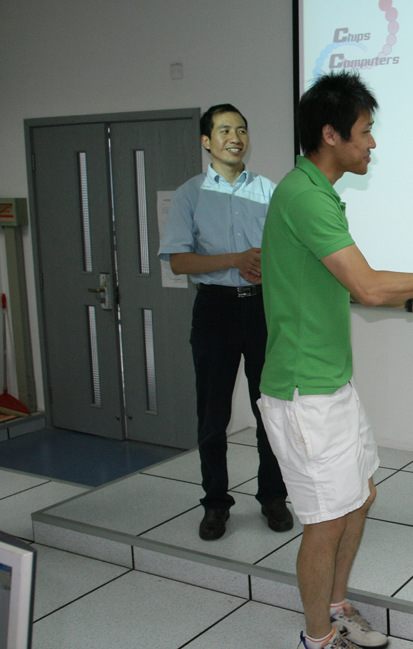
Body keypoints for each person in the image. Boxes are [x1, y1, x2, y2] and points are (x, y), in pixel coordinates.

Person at [257, 71, 413, 649]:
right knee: (326, 519)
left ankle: (335, 608)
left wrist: (411, 301)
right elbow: (367, 285)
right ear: (331, 134)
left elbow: (343, 284)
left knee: (361, 496)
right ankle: (318, 639)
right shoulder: (305, 197)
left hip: (330, 383)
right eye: (366, 131)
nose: (372, 143)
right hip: (304, 392)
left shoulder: (318, 193)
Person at [159, 104, 293, 541]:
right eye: (223, 130)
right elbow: (179, 261)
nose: (235, 138)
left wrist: (269, 264)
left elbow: (289, 247)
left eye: (241, 130)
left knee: (269, 410)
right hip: (214, 310)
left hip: (262, 309)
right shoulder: (190, 194)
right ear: (206, 141)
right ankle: (215, 503)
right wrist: (235, 260)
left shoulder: (269, 190)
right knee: (213, 415)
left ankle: (273, 496)